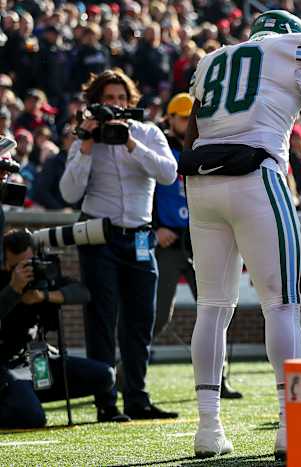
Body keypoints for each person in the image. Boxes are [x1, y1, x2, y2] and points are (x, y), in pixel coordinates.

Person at [180, 10, 301, 459]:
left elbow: (191, 137)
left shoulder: (212, 60)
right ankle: (294, 429)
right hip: (256, 175)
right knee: (281, 303)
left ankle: (209, 428)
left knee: (211, 306)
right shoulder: (291, 48)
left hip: (201, 182)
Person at [59, 69, 179, 423]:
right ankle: (105, 402)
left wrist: (130, 142)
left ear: (130, 102)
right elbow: (68, 193)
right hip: (100, 237)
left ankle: (137, 398)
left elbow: (169, 173)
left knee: (141, 319)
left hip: (141, 235)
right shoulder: (85, 140)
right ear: (95, 103)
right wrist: (85, 144)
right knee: (102, 318)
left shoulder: (147, 133)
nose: (115, 105)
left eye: (120, 99)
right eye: (108, 99)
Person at [154, 93, 242, 399]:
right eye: (180, 117)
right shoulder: (158, 143)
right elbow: (145, 189)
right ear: (170, 118)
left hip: (198, 237)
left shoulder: (204, 143)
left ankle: (220, 379)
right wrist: (155, 227)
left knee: (217, 308)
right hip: (167, 241)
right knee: (159, 313)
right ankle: (127, 370)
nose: (185, 122)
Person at [0, 229, 114, 428]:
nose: (25, 269)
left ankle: (24, 395)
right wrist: (13, 290)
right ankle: (22, 398)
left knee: (104, 376)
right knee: (32, 418)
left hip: (33, 359)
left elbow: (82, 293)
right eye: (17, 265)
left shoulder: (41, 273)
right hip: (3, 363)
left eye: (28, 263)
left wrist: (44, 296)